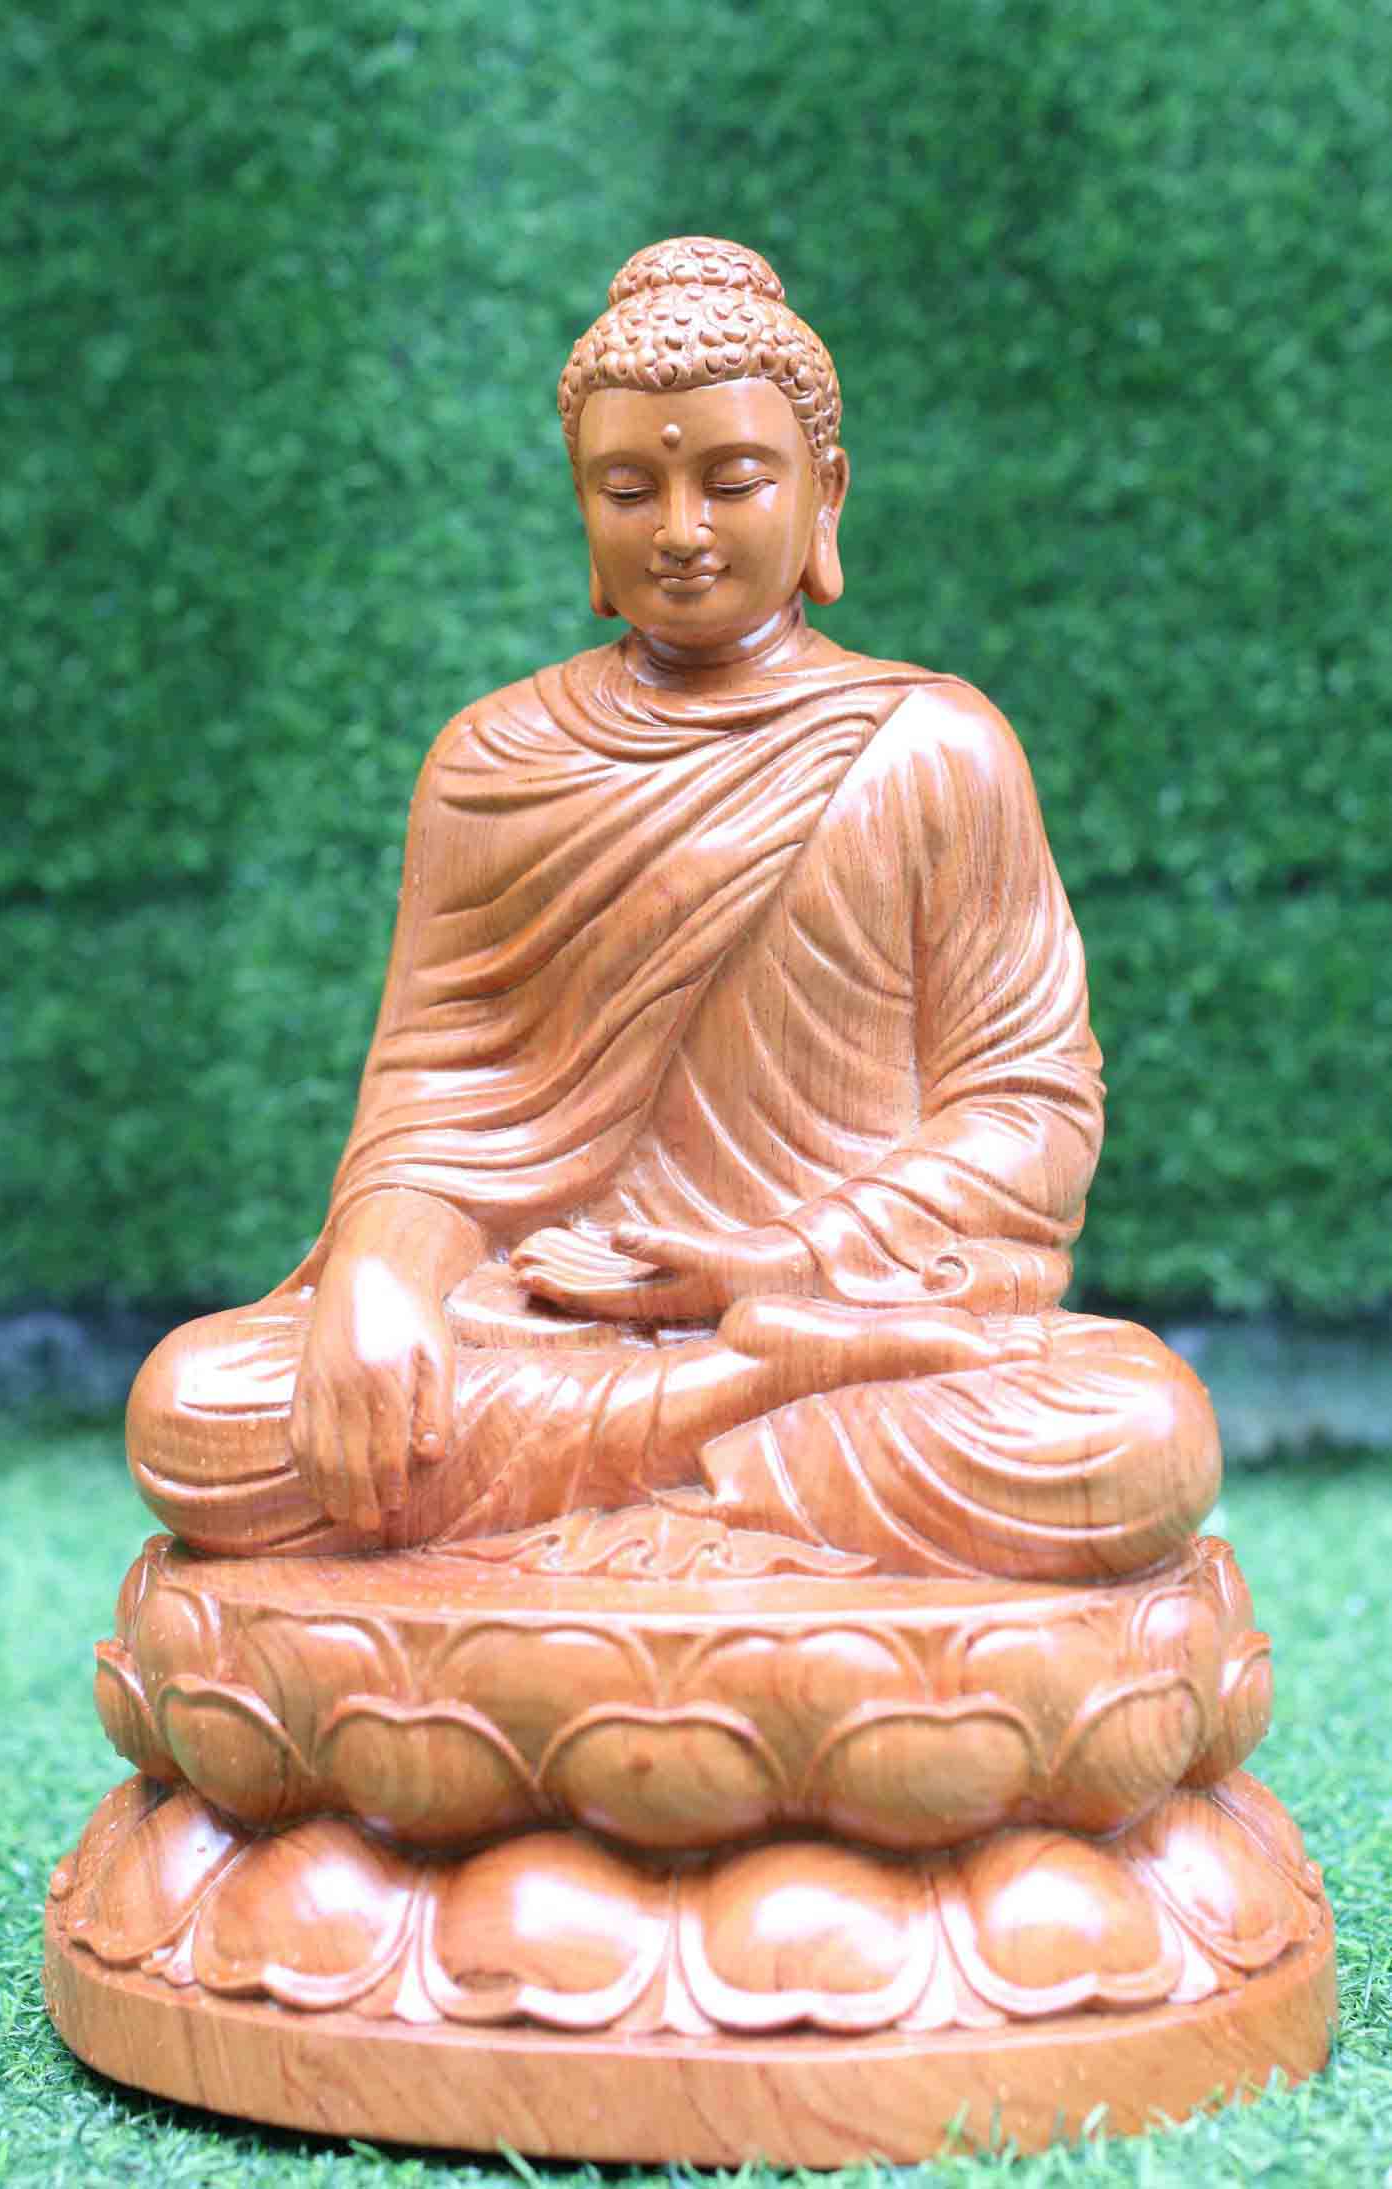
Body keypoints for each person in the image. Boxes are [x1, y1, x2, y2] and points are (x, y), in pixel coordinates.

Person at [128, 237, 1219, 1581]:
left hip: (840, 1315)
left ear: (826, 493)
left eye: (736, 482)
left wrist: (779, 1259)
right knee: (202, 1407)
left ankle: (697, 1429)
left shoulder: (936, 747)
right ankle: (732, 1422)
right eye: (629, 489)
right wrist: (378, 1279)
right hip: (556, 1323)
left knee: (1132, 1434)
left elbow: (1031, 1110)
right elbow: (437, 1114)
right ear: (582, 509)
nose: (682, 532)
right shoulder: (494, 760)